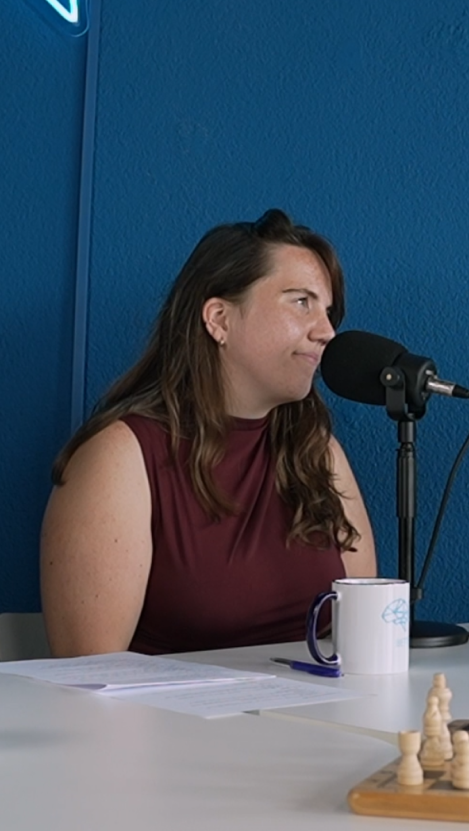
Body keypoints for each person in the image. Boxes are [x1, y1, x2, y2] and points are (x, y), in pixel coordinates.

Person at [41, 210, 377, 656]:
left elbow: (364, 637)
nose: (327, 332)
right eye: (301, 302)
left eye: (328, 311)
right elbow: (90, 675)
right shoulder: (120, 458)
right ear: (219, 318)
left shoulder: (317, 453)